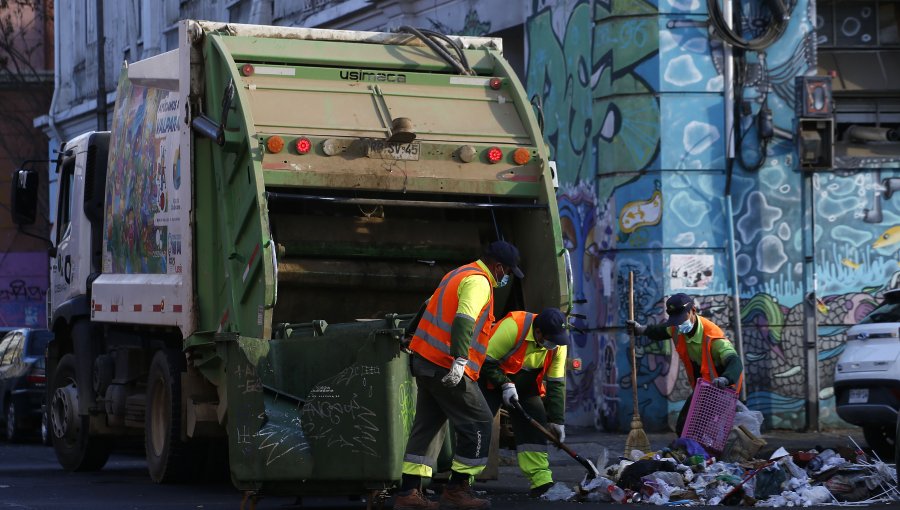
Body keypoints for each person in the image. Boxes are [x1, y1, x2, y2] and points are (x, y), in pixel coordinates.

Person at [395, 240, 525, 510]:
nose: (507, 277)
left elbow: (427, 304)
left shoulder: (457, 273)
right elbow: (464, 319)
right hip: (447, 364)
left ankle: (409, 493)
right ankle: (457, 488)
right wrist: (460, 360)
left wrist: (409, 332)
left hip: (425, 360)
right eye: (508, 272)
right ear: (497, 267)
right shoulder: (479, 282)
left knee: (428, 426)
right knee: (478, 421)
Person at [479, 307, 569, 498]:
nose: (554, 345)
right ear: (538, 332)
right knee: (480, 423)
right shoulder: (514, 327)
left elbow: (556, 384)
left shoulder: (559, 344)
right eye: (550, 341)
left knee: (534, 427)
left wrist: (557, 420)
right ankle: (461, 482)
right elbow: (484, 360)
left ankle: (541, 481)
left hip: (526, 387)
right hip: (492, 379)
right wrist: (504, 384)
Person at [626, 293, 743, 435]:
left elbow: (734, 361)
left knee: (702, 428)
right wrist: (641, 330)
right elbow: (661, 330)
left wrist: (725, 379)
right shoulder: (676, 328)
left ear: (693, 310)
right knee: (685, 426)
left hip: (723, 387)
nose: (679, 325)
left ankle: (703, 453)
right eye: (676, 321)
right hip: (705, 387)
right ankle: (695, 452)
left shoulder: (713, 336)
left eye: (682, 319)